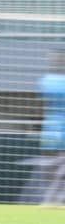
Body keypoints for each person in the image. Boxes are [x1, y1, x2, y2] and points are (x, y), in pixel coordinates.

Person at [38, 51, 65, 205]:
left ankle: (52, 201)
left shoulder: (46, 81)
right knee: (59, 174)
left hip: (48, 135)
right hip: (59, 134)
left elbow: (42, 105)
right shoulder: (51, 81)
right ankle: (52, 201)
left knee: (53, 172)